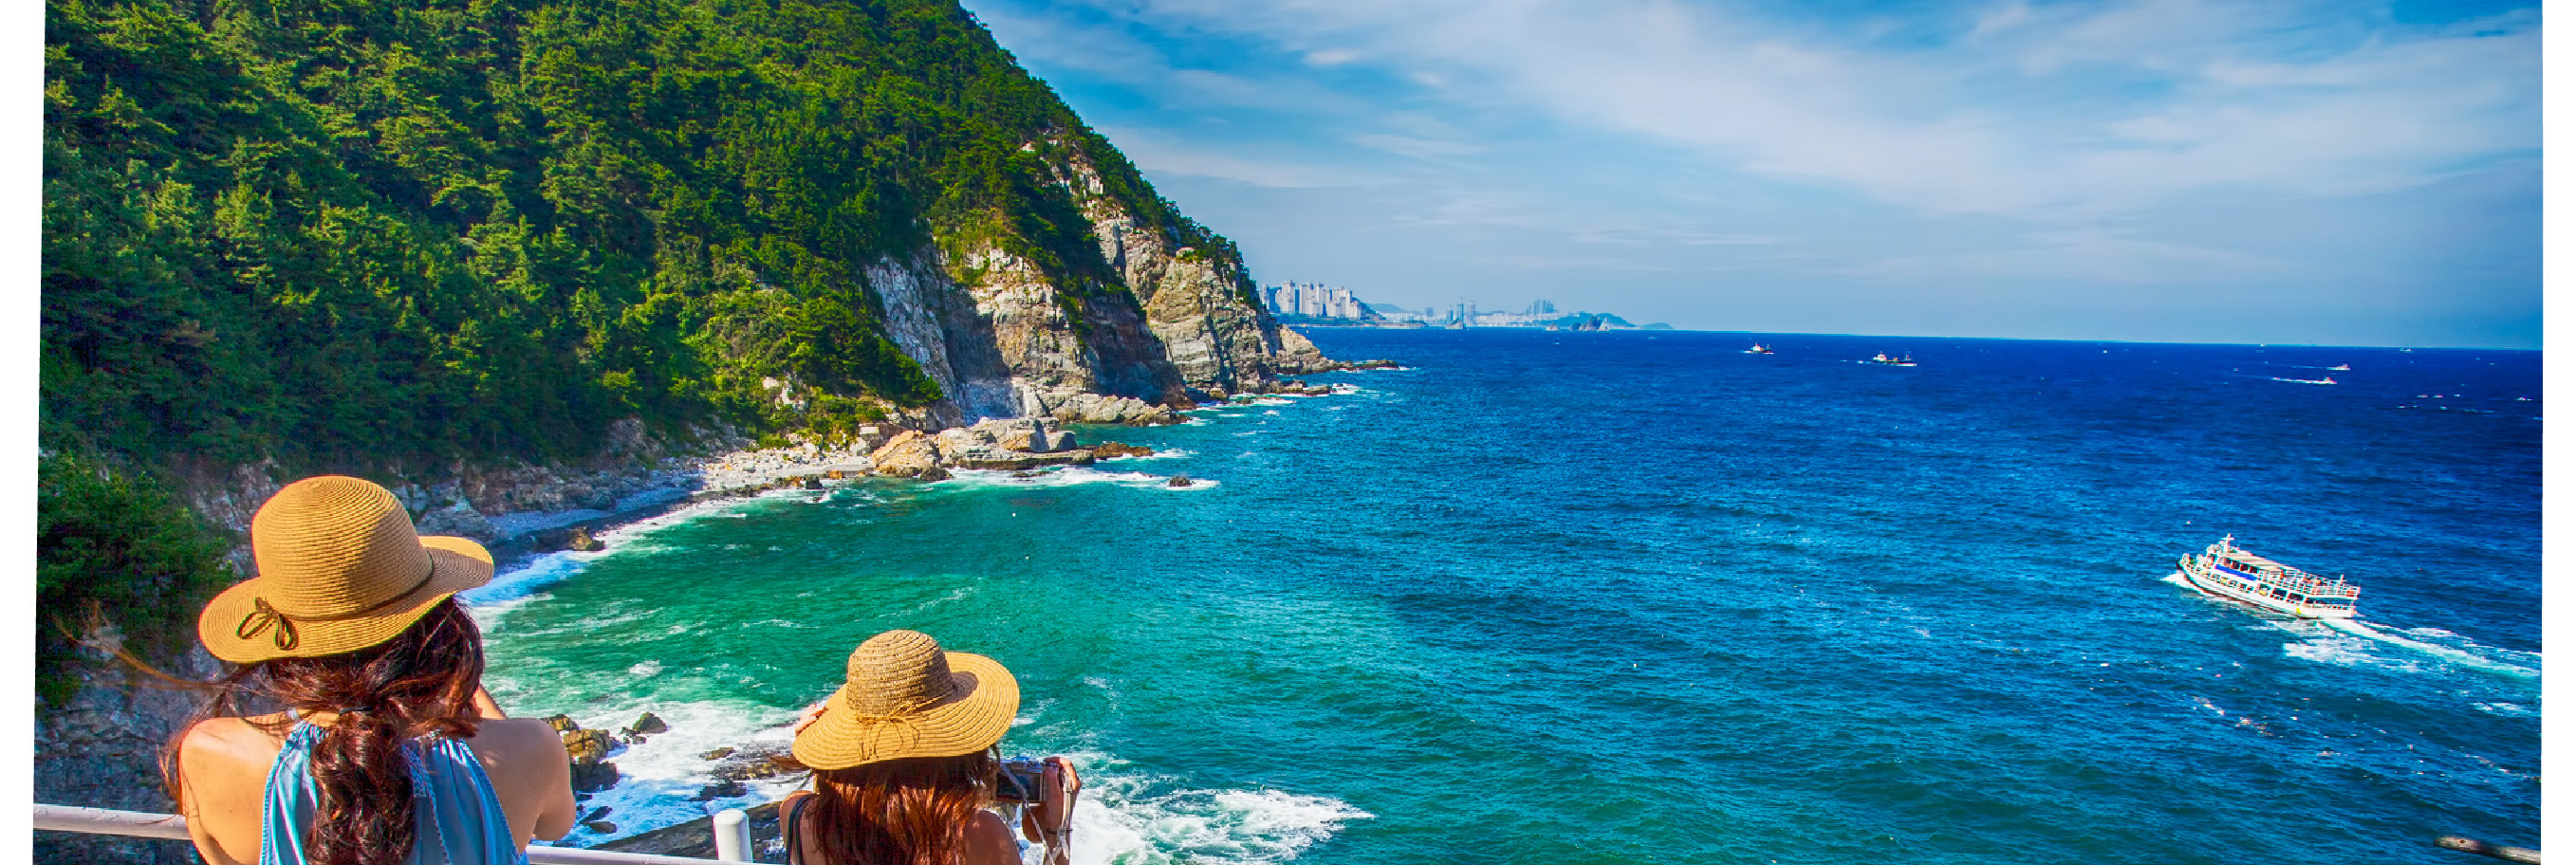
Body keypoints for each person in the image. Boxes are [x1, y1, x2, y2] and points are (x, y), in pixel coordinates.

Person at [165, 475, 578, 865]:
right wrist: (461, 684)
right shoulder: (529, 747)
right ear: (442, 628)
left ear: (281, 644)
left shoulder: (209, 751)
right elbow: (554, 827)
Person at [783, 630, 1082, 865]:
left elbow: (854, 799)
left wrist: (815, 754)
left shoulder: (796, 816)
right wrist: (1057, 834)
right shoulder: (978, 834)